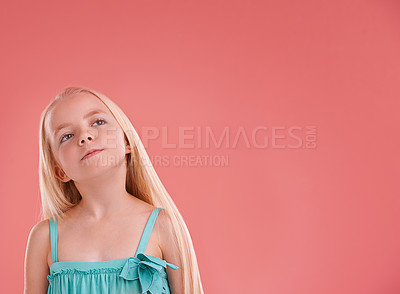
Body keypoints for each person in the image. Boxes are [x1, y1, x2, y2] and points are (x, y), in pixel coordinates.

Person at [24, 86, 204, 294]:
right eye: (67, 136)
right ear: (60, 171)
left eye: (98, 122)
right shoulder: (44, 237)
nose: (85, 136)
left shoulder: (164, 226)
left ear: (127, 142)